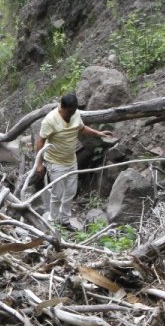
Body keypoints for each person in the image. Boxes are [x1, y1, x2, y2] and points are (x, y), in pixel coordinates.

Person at [34, 93, 115, 228]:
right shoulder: (50, 120)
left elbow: (82, 128)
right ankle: (52, 224)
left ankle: (65, 220)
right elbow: (40, 141)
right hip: (55, 162)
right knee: (57, 194)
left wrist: (99, 133)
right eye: (69, 112)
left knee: (71, 191)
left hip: (71, 161)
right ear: (62, 107)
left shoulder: (75, 114)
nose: (71, 114)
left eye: (74, 111)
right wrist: (39, 163)